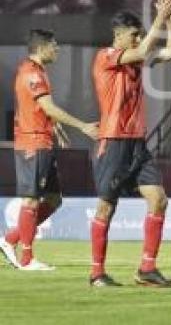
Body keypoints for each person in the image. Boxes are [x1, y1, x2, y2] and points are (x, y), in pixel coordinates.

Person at [89, 0, 171, 287]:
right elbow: (143, 52)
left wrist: (170, 21)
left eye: (140, 33)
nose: (139, 37)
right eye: (134, 34)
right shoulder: (105, 57)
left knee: (159, 199)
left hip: (137, 144)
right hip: (114, 141)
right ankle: (96, 273)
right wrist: (158, 18)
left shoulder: (135, 61)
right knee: (107, 207)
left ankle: (146, 269)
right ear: (118, 35)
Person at [0, 29, 98, 270]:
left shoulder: (38, 71)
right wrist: (82, 126)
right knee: (31, 201)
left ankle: (10, 239)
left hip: (42, 141)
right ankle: (27, 258)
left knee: (54, 200)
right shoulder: (32, 73)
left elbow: (42, 111)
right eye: (54, 45)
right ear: (41, 48)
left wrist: (56, 129)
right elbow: (49, 107)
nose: (58, 49)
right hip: (32, 144)